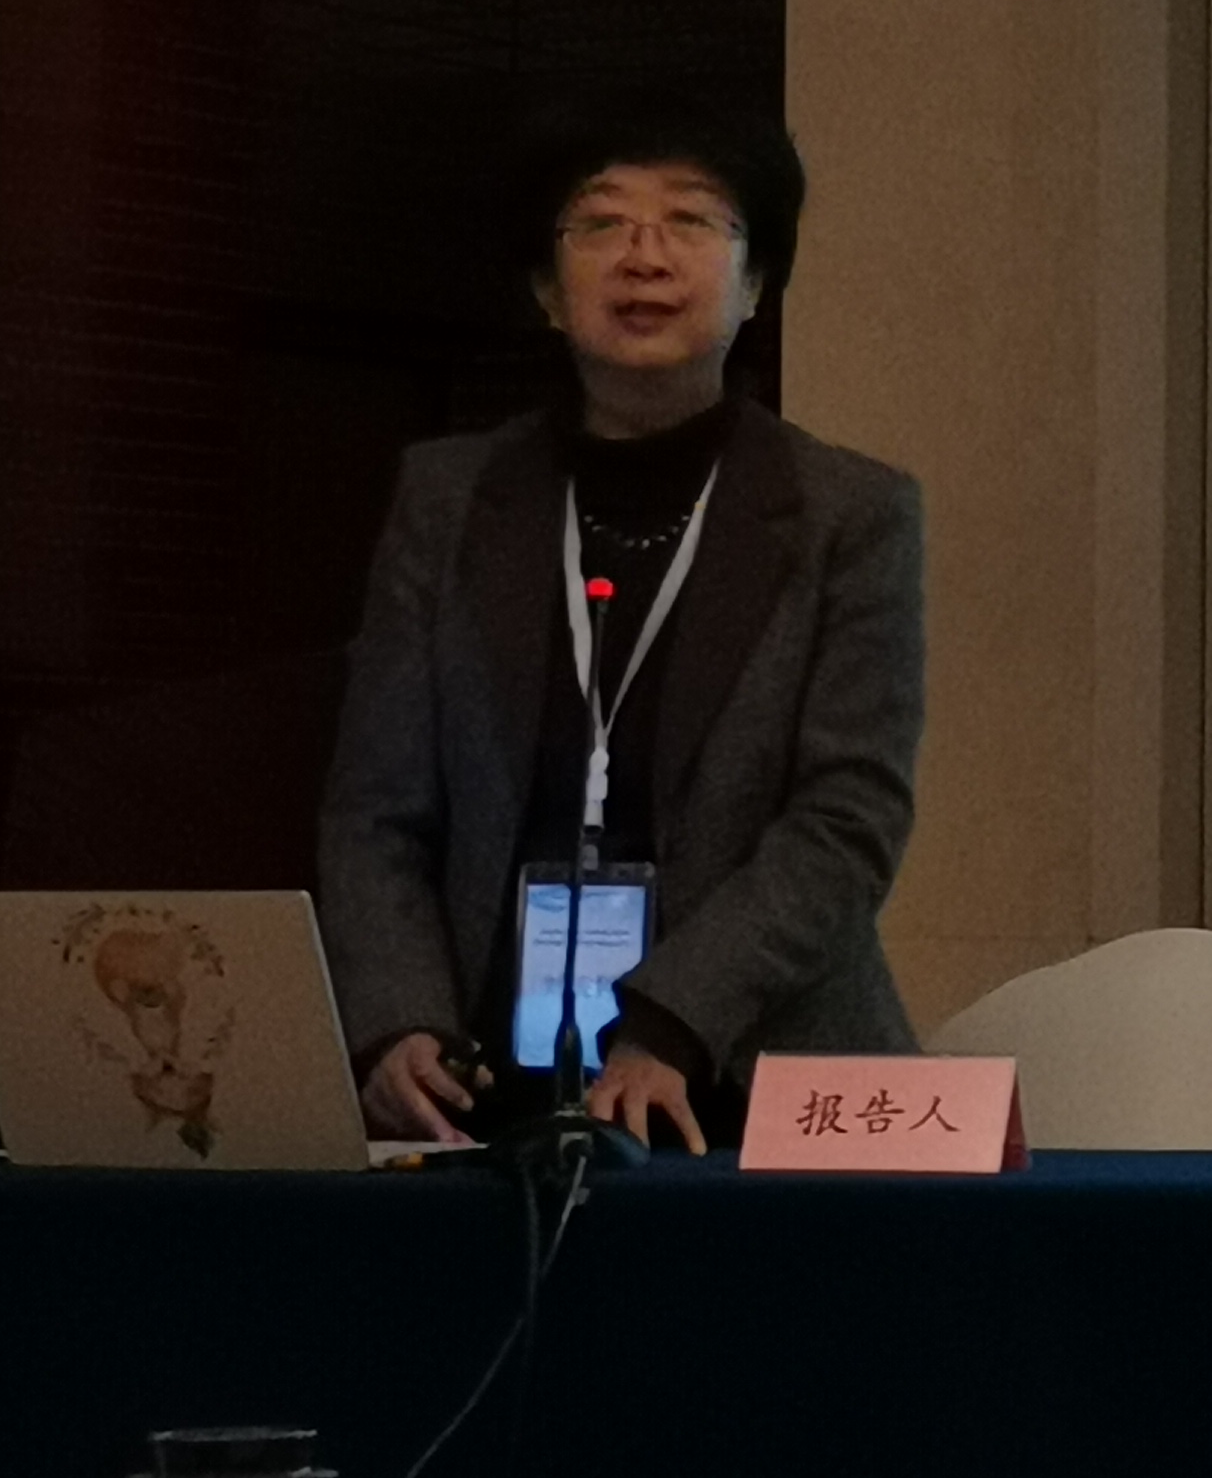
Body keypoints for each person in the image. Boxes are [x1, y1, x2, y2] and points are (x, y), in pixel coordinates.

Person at [317, 107, 924, 1153]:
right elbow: (376, 806)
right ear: (548, 291)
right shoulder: (449, 497)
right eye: (600, 223)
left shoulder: (851, 514)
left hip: (756, 1082)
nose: (644, 256)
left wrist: (670, 1021)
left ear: (756, 283)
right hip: (481, 1085)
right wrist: (398, 1021)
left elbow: (848, 817)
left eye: (691, 220)